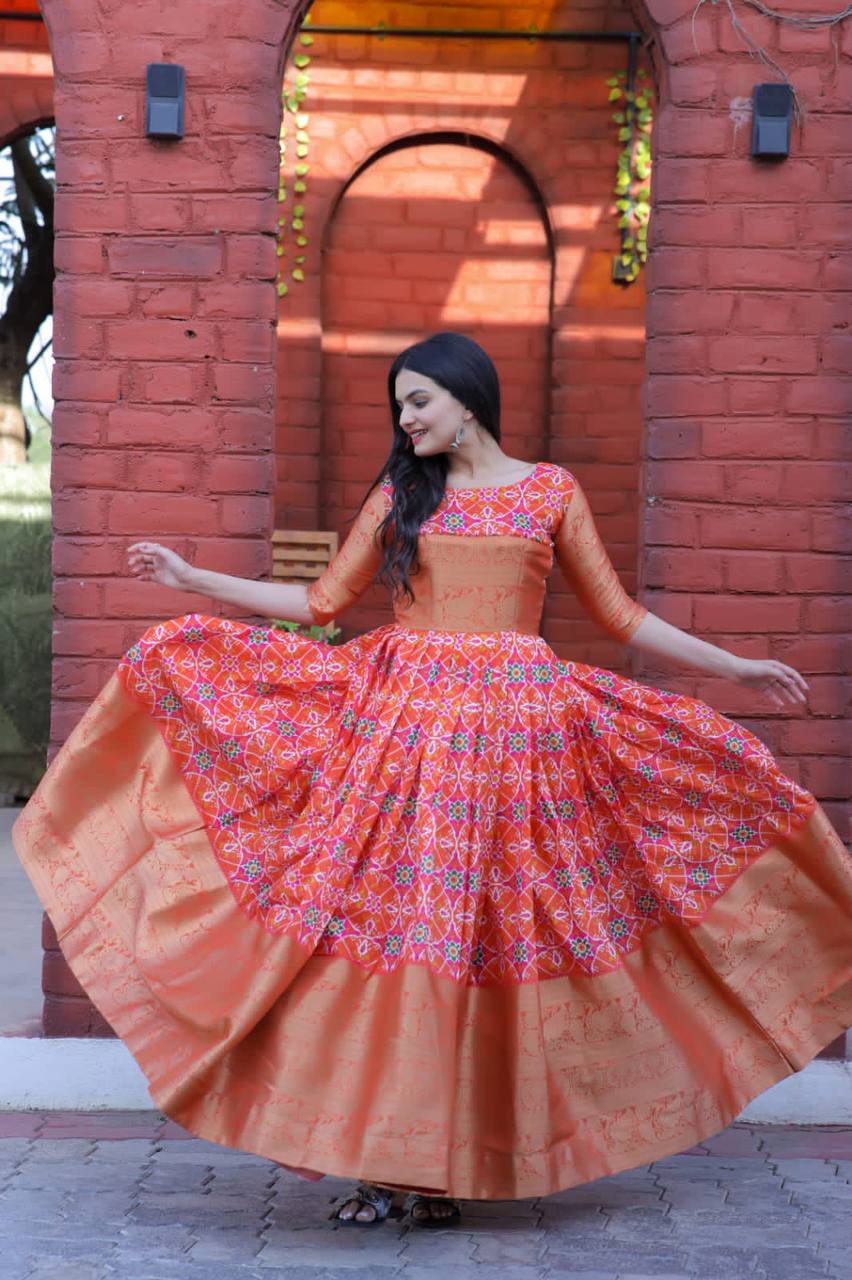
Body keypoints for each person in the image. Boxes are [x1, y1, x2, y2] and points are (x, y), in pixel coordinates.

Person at [12, 331, 852, 1230]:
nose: (405, 418)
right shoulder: (400, 495)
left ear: (467, 400)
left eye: (418, 400)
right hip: (400, 749)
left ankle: (450, 1167)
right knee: (404, 943)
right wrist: (193, 579)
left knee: (490, 938)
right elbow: (321, 603)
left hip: (522, 752)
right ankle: (389, 1165)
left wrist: (736, 667)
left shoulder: (550, 491)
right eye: (398, 404)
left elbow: (619, 615)